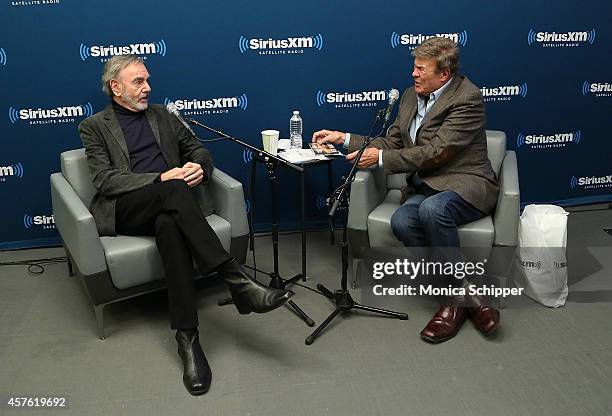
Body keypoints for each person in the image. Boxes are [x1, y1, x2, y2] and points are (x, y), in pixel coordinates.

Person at [79, 54, 293, 395]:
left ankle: (188, 339)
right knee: (172, 190)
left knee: (169, 224)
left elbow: (198, 149)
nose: (147, 87)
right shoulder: (94, 126)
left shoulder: (164, 115)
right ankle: (235, 279)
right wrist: (161, 177)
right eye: (138, 82)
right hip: (128, 208)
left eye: (148, 80)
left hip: (170, 205)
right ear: (115, 87)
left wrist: (199, 168)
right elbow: (105, 180)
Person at [312, 37, 500, 343]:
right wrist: (343, 138)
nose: (413, 74)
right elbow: (392, 142)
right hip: (428, 186)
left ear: (444, 74)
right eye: (414, 67)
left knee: (431, 209)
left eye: (420, 69)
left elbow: (438, 151)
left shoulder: (468, 97)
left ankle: (451, 304)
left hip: (466, 181)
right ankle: (468, 293)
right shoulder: (411, 97)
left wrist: (382, 159)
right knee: (402, 221)